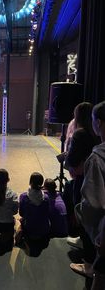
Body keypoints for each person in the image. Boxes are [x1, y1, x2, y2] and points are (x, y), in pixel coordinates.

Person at [70, 101, 105, 279]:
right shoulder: (94, 139)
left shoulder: (97, 157)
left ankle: (90, 263)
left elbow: (92, 204)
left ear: (98, 123)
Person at [18, 172, 50, 256]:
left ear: (30, 182)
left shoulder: (24, 197)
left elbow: (21, 213)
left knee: (19, 221)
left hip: (29, 229)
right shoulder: (46, 198)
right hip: (43, 230)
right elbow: (47, 213)